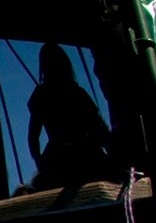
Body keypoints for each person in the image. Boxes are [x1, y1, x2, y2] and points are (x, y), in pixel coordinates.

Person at [25, 43, 112, 191]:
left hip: (65, 157)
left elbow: (33, 136)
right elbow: (100, 129)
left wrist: (40, 162)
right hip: (83, 155)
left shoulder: (44, 94)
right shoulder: (76, 92)